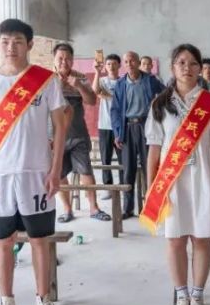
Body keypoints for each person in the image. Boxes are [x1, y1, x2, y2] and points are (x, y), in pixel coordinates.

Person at [0, 19, 68, 305]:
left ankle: (43, 301)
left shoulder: (45, 81)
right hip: (0, 174)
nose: (11, 48)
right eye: (5, 42)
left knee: (40, 240)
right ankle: (7, 304)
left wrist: (55, 170)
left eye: (17, 42)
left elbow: (60, 127)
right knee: (3, 241)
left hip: (37, 173)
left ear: (29, 45)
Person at [142, 44, 210, 305]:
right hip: (172, 181)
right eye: (181, 62)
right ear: (172, 68)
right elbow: (154, 149)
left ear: (200, 68)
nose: (187, 68)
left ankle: (197, 295)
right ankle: (181, 296)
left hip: (203, 177)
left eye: (193, 63)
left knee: (201, 237)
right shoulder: (159, 104)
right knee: (175, 239)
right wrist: (151, 187)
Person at [51, 43, 107, 222]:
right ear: (54, 59)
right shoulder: (47, 79)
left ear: (72, 60)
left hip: (78, 136)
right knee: (59, 175)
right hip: (54, 138)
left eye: (67, 58)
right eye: (60, 58)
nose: (64, 62)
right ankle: (67, 210)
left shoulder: (80, 77)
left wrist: (80, 87)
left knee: (86, 172)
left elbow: (91, 101)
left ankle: (94, 208)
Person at [112, 51, 166, 217]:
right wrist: (118, 133)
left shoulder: (149, 80)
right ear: (124, 65)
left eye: (132, 60)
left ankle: (152, 206)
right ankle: (128, 208)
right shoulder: (121, 84)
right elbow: (114, 110)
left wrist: (159, 112)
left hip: (146, 126)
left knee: (149, 167)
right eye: (126, 61)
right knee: (128, 170)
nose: (130, 64)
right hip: (128, 128)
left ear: (138, 62)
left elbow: (166, 93)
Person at [93, 53, 124, 196]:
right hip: (104, 125)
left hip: (120, 126)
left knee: (123, 157)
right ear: (105, 66)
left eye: (114, 64)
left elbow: (125, 99)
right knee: (105, 158)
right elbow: (95, 92)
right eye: (108, 64)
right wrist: (97, 72)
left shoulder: (124, 81)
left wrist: (108, 96)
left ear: (119, 65)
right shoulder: (102, 80)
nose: (111, 66)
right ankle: (108, 187)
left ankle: (124, 185)